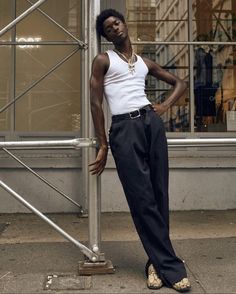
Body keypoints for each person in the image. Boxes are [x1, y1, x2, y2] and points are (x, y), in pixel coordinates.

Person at [89, 9, 191, 293]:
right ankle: (172, 267)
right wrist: (103, 144)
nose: (115, 28)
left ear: (125, 24)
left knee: (159, 194)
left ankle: (155, 264)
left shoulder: (144, 62)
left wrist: (164, 106)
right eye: (108, 28)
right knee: (142, 198)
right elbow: (96, 104)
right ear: (106, 36)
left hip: (151, 124)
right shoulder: (103, 61)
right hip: (124, 130)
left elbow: (180, 83)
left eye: (117, 23)